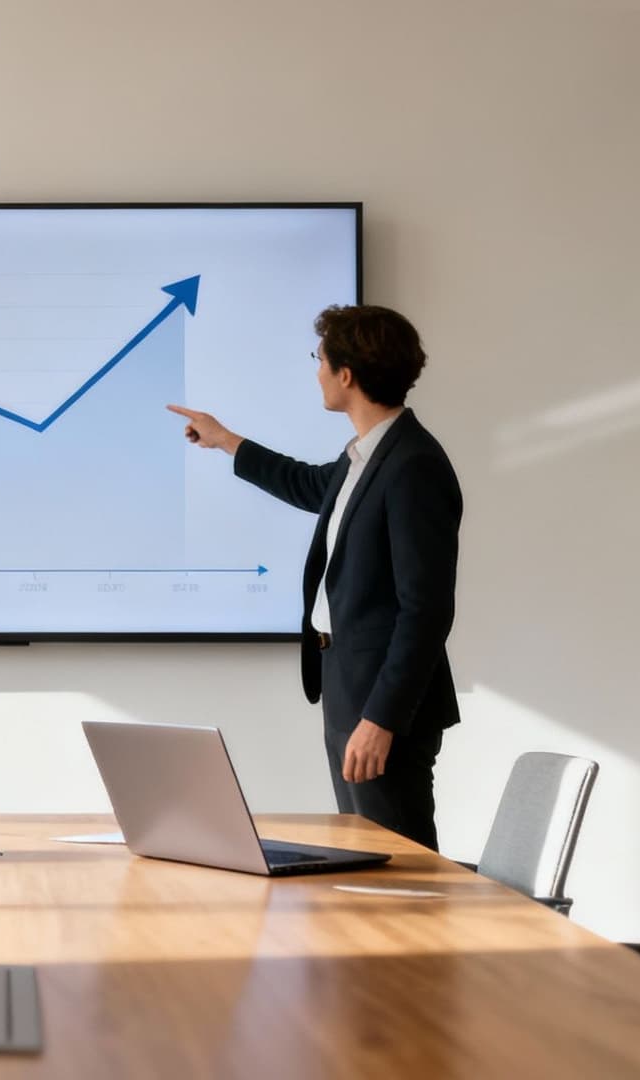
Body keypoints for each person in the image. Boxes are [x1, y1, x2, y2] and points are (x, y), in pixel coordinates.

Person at [168, 304, 461, 849]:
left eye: (320, 359)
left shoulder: (411, 465)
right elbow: (306, 485)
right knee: (366, 857)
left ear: (346, 374)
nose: (317, 371)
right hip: (347, 682)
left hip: (381, 704)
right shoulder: (366, 457)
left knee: (396, 863)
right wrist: (226, 440)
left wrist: (381, 719)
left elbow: (426, 610)